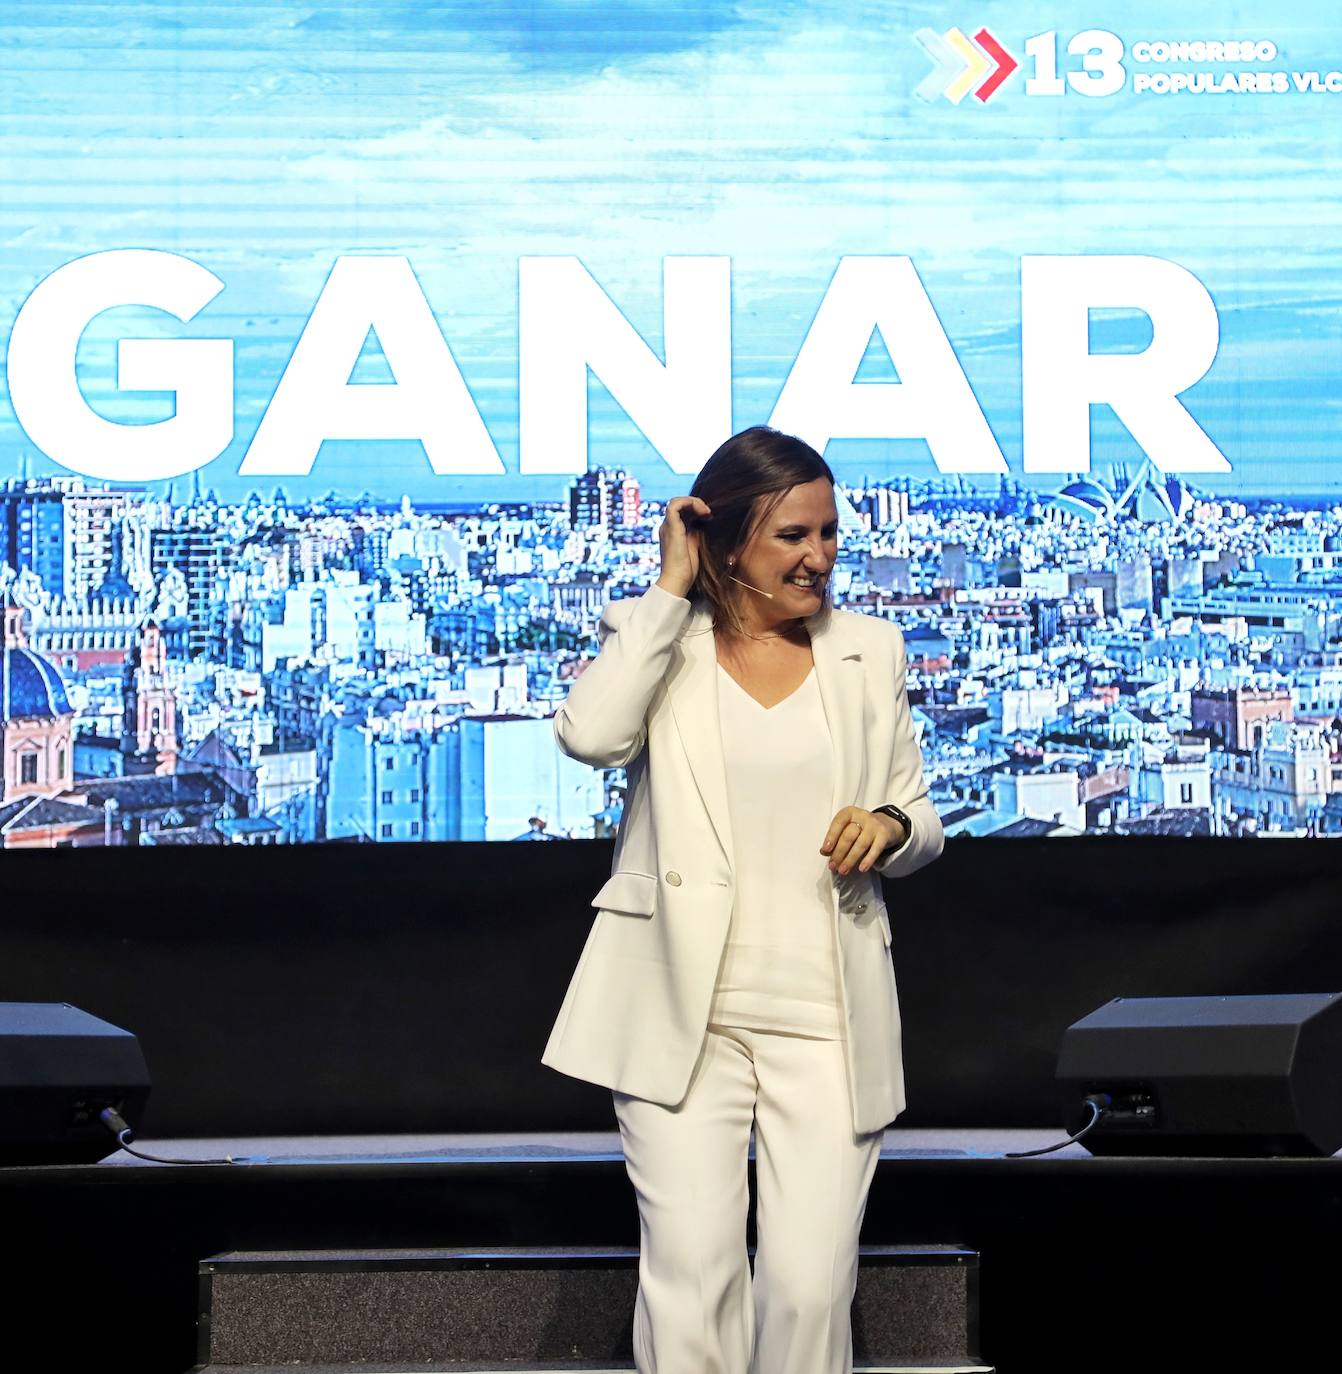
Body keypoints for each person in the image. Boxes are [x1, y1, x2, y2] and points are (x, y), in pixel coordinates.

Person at [542, 425, 944, 1373]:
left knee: (810, 1293)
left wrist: (888, 826)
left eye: (829, 533)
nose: (819, 557)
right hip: (681, 1007)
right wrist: (669, 585)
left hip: (826, 1014)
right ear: (728, 545)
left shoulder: (869, 652)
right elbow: (589, 734)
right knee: (691, 1282)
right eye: (791, 537)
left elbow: (920, 818)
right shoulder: (658, 642)